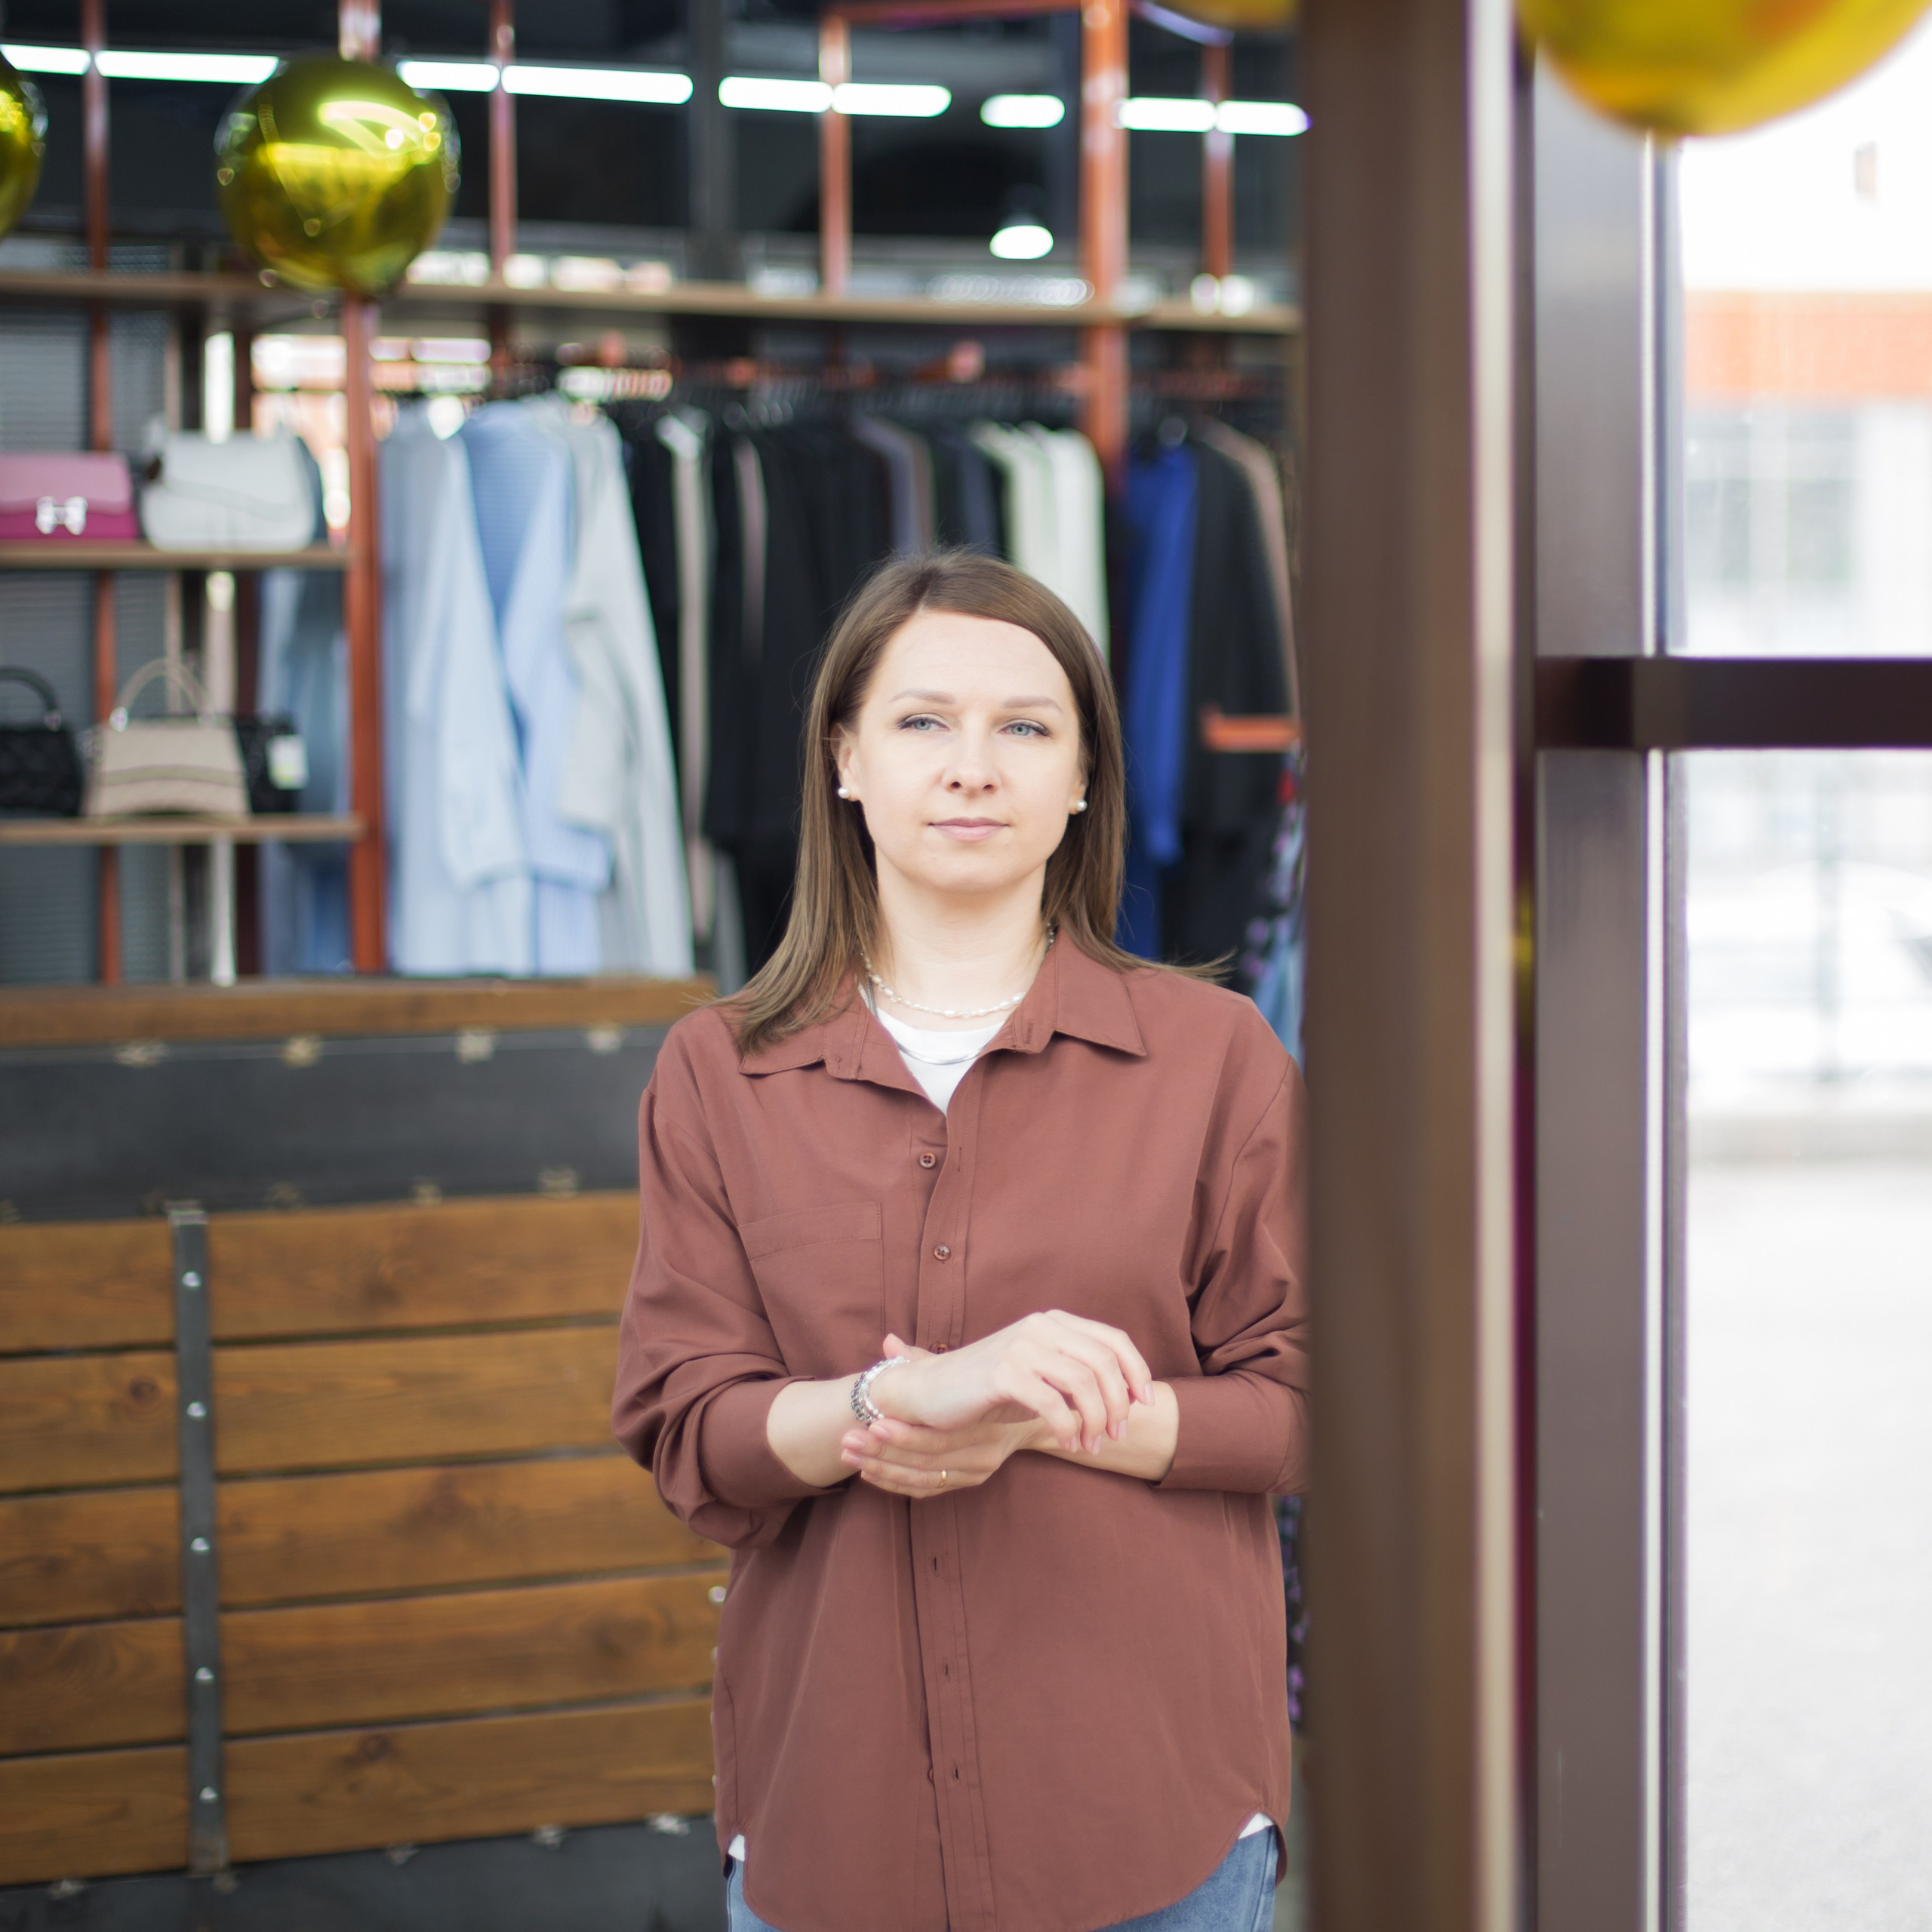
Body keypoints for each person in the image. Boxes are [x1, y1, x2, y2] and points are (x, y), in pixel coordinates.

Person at [613, 551, 1307, 1932]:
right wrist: (894, 1402)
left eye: (1026, 728)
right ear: (845, 761)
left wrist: (1029, 1412)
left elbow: (1307, 1405)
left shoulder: (1216, 1057)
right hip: (833, 1828)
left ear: (1086, 780)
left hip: (1154, 1824)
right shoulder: (717, 1071)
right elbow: (693, 1438)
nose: (973, 767)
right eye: (924, 722)